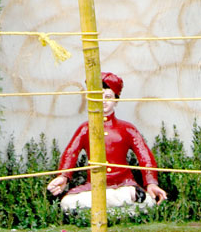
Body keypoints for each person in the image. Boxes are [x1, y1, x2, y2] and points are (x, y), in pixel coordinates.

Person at [47, 72, 167, 210]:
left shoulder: (127, 128)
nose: (103, 101)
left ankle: (104, 207)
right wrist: (63, 177)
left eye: (108, 97)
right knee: (67, 203)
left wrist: (151, 183)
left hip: (124, 185)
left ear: (116, 100)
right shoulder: (85, 129)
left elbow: (145, 156)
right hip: (94, 187)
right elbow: (71, 153)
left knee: (147, 201)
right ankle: (114, 208)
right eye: (98, 97)